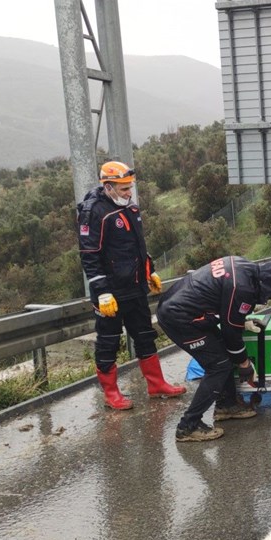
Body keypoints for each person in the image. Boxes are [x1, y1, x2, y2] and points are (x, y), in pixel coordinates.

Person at [77, 161, 186, 410]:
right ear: (108, 186)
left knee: (146, 335)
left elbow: (137, 246)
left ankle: (156, 384)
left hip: (135, 287)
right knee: (109, 342)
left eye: (130, 187)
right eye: (124, 188)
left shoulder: (130, 208)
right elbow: (89, 256)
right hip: (111, 294)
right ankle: (111, 393)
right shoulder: (94, 213)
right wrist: (102, 292)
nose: (129, 192)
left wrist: (151, 269)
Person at [157, 256, 271, 442]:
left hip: (184, 308)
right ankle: (188, 426)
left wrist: (242, 321)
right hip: (179, 317)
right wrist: (244, 363)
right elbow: (231, 332)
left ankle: (227, 405)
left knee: (222, 355)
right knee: (219, 365)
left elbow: (226, 309)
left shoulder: (245, 267)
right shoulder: (243, 288)